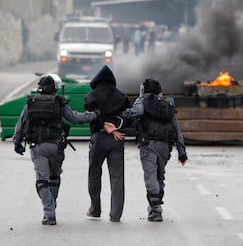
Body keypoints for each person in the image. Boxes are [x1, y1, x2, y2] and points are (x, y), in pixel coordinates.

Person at [13, 74, 100, 226]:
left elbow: (20, 124)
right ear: (54, 89)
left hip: (37, 147)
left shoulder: (31, 104)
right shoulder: (60, 103)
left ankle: (49, 213)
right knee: (54, 179)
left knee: (42, 181)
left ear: (40, 90)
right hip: (56, 147)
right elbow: (75, 118)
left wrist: (17, 142)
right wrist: (94, 115)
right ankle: (51, 207)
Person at [113, 77, 188, 222]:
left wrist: (118, 111)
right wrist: (182, 152)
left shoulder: (143, 102)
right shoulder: (168, 105)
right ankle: (156, 205)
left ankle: (155, 209)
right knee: (160, 176)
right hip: (165, 147)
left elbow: (133, 113)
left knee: (150, 176)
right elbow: (177, 129)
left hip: (148, 145)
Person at [83, 65, 131, 222]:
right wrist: (118, 128)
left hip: (99, 138)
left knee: (94, 173)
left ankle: (95, 209)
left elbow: (92, 113)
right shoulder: (121, 96)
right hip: (117, 139)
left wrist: (103, 125)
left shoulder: (92, 96)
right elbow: (130, 116)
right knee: (117, 177)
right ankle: (115, 214)